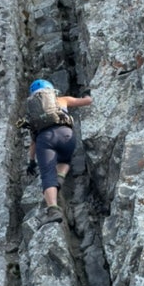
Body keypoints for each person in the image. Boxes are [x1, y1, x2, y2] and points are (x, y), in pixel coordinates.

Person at [26, 79, 93, 225]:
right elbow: (88, 101)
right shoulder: (62, 100)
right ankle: (61, 177)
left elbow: (33, 141)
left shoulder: (33, 113)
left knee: (47, 174)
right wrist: (86, 93)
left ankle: (53, 210)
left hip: (45, 139)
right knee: (65, 159)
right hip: (66, 135)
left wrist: (31, 161)